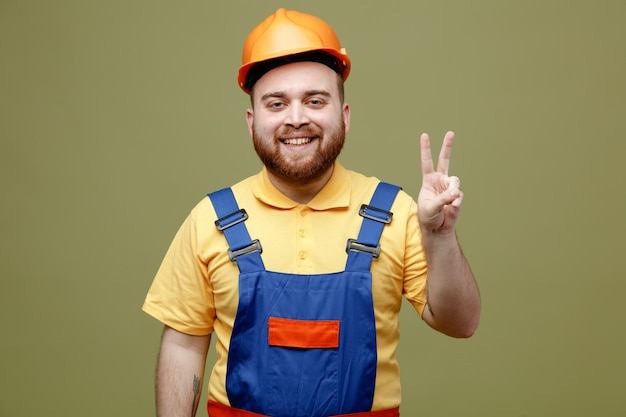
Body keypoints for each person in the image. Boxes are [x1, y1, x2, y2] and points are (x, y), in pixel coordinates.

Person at [142, 8, 480, 417]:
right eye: (276, 103)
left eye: (315, 100)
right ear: (252, 121)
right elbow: (183, 344)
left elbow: (460, 323)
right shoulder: (210, 219)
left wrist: (440, 237)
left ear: (344, 115)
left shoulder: (397, 213)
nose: (296, 118)